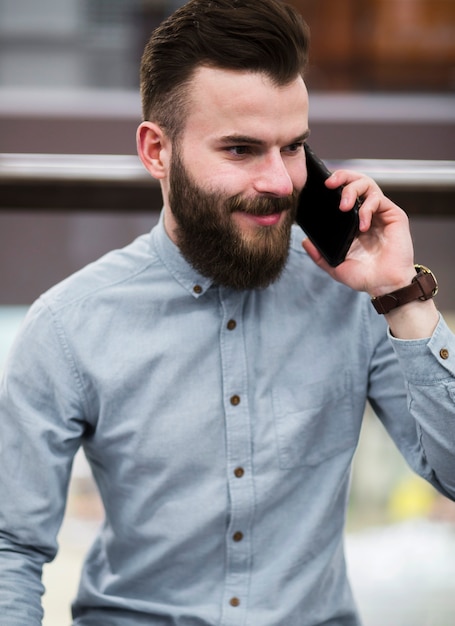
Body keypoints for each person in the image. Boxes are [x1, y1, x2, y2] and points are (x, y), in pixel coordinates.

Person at [1, 0, 454, 624]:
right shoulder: (67, 327)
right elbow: (9, 549)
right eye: (241, 150)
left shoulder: (355, 297)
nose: (278, 181)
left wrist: (400, 293)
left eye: (293, 147)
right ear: (156, 151)